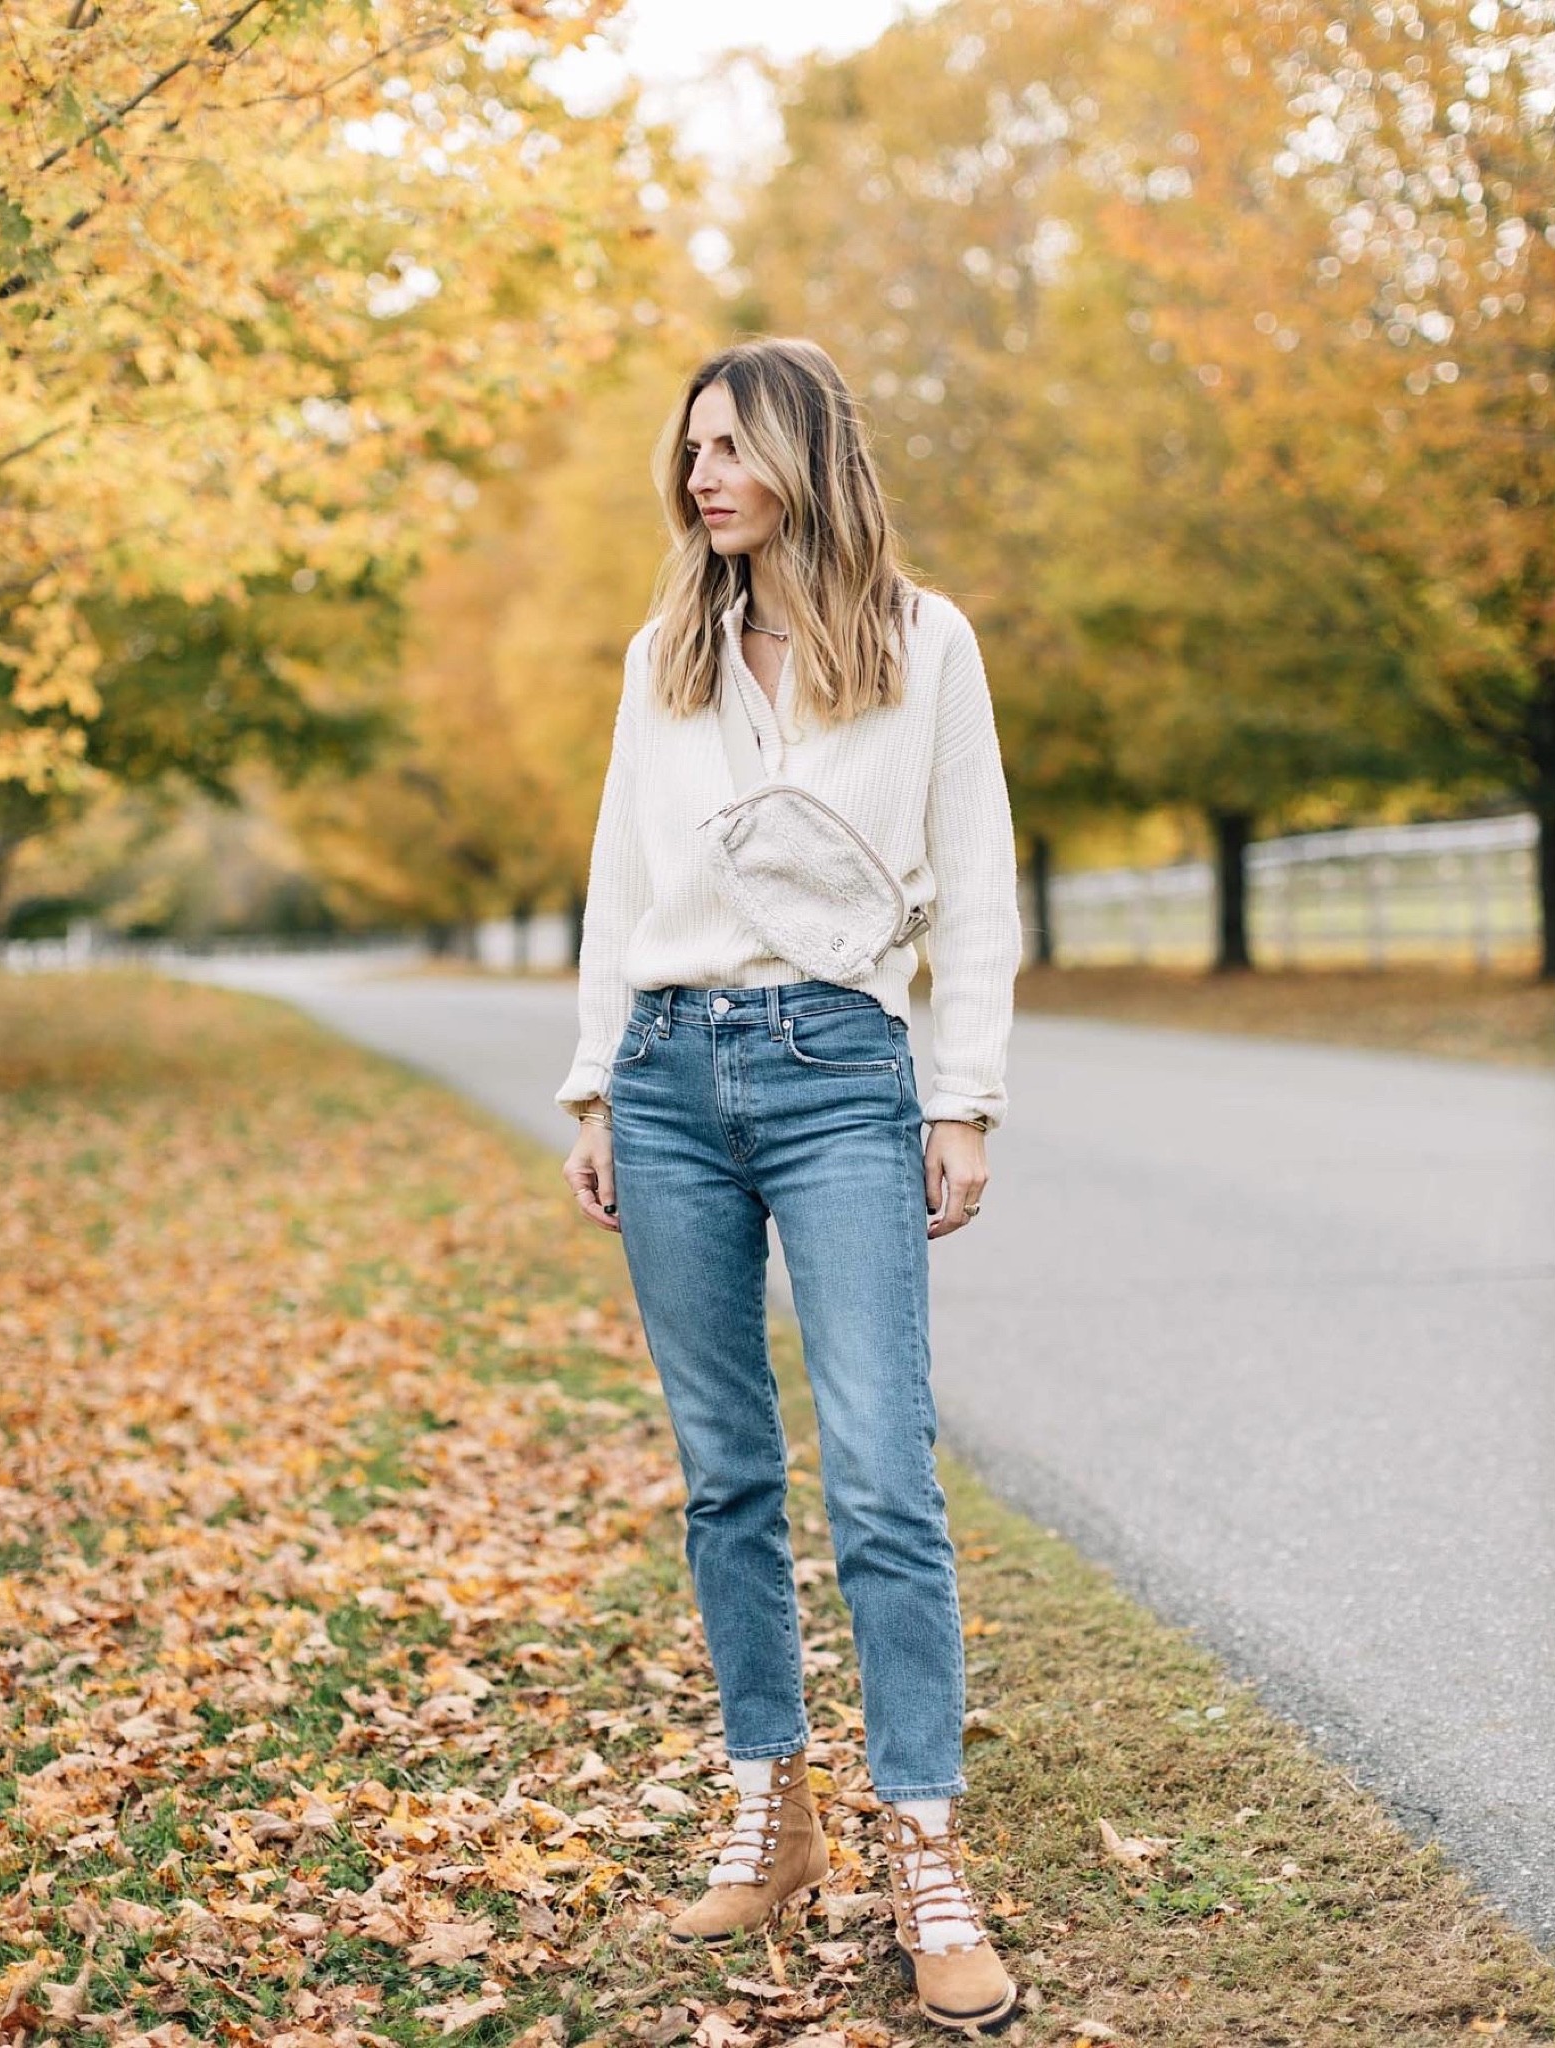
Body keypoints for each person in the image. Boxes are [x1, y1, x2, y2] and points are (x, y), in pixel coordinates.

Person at [555, 336, 1022, 2034]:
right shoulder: (661, 655)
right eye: (690, 454)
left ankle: (923, 1841)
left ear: (805, 455)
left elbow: (974, 884)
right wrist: (596, 1079)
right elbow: (616, 885)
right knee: (725, 1473)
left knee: (884, 1475)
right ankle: (775, 1802)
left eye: (731, 449)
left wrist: (960, 1102)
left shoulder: (922, 642)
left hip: (841, 1074)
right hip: (671, 1075)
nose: (702, 479)